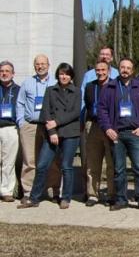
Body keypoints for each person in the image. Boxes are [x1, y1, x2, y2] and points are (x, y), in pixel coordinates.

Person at [17, 63, 81, 209]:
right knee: (42, 165)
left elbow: (75, 112)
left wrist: (56, 123)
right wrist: (52, 132)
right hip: (51, 133)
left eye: (67, 74)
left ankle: (66, 198)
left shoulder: (77, 91)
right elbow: (45, 112)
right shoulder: (50, 90)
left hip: (70, 133)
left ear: (71, 76)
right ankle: (34, 198)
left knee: (66, 166)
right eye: (61, 74)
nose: (64, 76)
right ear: (57, 75)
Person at [98, 58, 139, 211]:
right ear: (118, 69)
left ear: (133, 70)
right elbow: (102, 110)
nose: (125, 70)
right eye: (122, 67)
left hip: (135, 133)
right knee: (119, 169)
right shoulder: (109, 88)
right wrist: (108, 128)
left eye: (128, 68)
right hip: (116, 134)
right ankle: (121, 200)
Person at [16, 54, 60, 202]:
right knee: (29, 160)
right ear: (34, 66)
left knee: (52, 160)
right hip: (30, 125)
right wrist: (21, 122)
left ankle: (53, 190)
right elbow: (20, 103)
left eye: (43, 64)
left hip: (49, 127)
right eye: (37, 64)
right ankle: (28, 191)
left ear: (49, 65)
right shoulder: (27, 83)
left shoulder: (55, 82)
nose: (40, 66)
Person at [81, 61, 116, 206]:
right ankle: (92, 194)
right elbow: (87, 106)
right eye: (97, 70)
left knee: (111, 163)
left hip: (110, 127)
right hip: (93, 125)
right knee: (92, 162)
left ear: (108, 71)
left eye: (103, 70)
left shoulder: (115, 85)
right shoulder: (90, 86)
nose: (100, 72)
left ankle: (111, 195)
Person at [0, 61, 19, 202]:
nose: (4, 73)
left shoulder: (18, 90)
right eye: (2, 71)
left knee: (8, 162)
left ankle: (6, 191)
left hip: (10, 128)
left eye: (7, 71)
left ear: (13, 74)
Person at [80, 46, 120, 111]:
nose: (104, 57)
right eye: (102, 54)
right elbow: (82, 98)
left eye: (107, 54)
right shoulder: (88, 75)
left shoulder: (117, 74)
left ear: (112, 58)